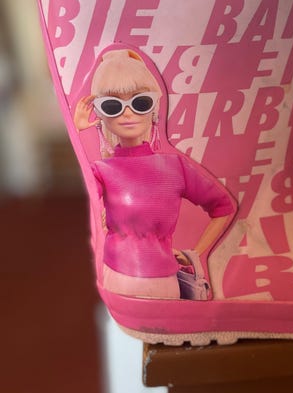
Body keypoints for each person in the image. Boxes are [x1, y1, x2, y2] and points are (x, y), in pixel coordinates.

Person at [74, 47, 235, 299]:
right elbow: (84, 199)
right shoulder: (101, 171)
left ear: (154, 108)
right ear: (100, 114)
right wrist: (78, 133)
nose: (128, 113)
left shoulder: (175, 167)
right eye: (112, 105)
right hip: (116, 277)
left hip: (164, 282)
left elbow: (223, 207)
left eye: (140, 102)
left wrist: (196, 253)